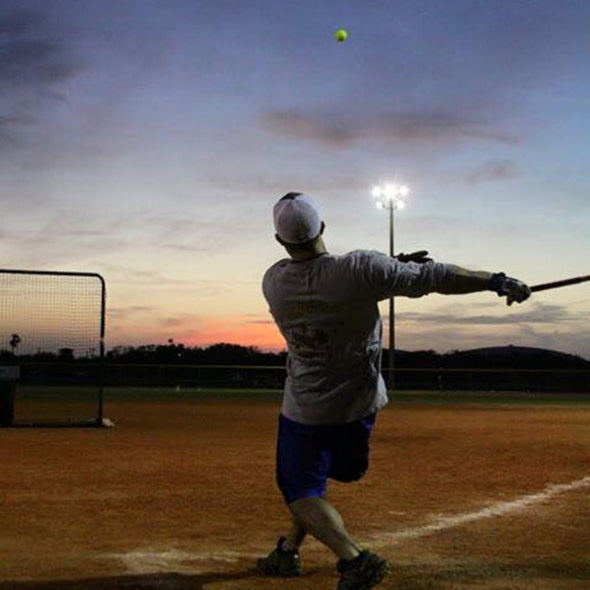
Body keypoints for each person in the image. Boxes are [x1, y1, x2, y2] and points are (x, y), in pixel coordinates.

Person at [257, 192, 530, 590]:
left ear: (281, 241)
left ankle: (354, 559)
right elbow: (438, 277)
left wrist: (389, 267)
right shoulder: (363, 269)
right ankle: (286, 553)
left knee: (300, 490)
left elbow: (325, 281)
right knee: (318, 482)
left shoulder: (274, 282)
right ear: (323, 228)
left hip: (304, 410)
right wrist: (496, 280)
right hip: (358, 407)